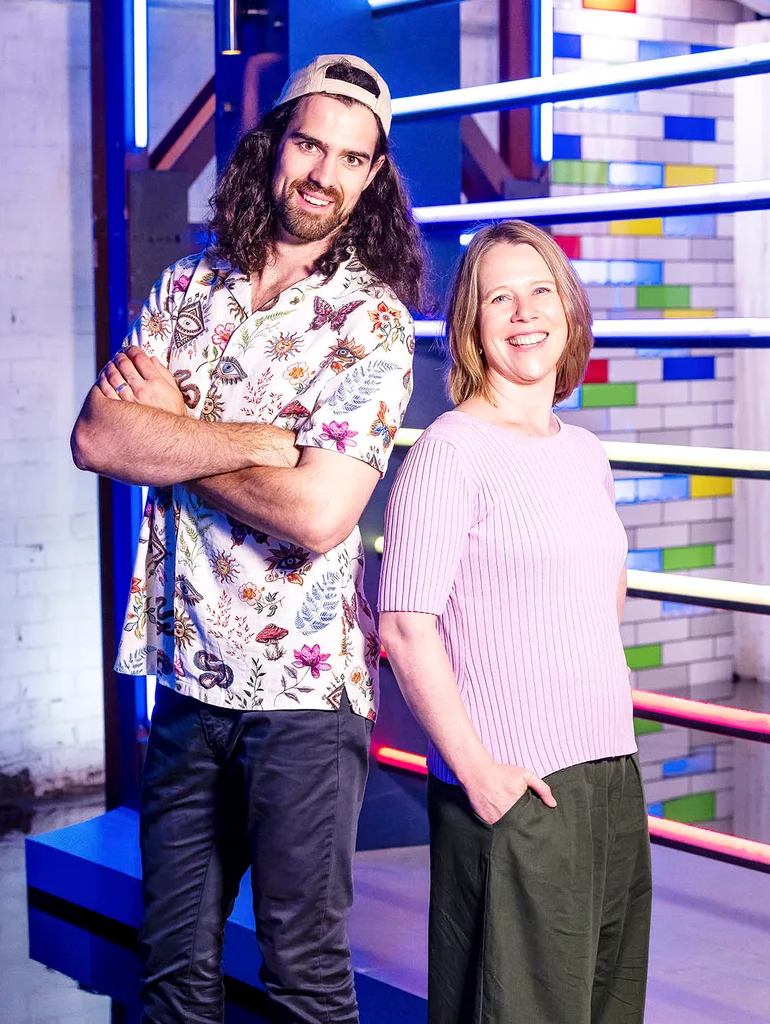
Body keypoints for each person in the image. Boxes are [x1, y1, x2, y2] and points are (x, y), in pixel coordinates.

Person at [71, 54, 425, 1024]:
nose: (323, 173)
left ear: (371, 176)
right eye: (309, 144)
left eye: (350, 158)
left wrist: (177, 434)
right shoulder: (187, 286)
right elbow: (98, 439)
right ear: (274, 146)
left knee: (302, 977)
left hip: (301, 704)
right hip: (187, 682)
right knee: (171, 974)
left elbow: (318, 513)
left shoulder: (373, 324)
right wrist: (266, 443)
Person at [378, 220, 651, 1024]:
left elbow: (599, 595)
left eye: (539, 292)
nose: (524, 312)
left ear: (567, 310)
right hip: (513, 784)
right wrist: (478, 772)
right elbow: (404, 627)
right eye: (500, 298)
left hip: (608, 775)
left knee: (606, 1008)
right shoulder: (449, 452)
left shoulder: (582, 451)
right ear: (471, 323)